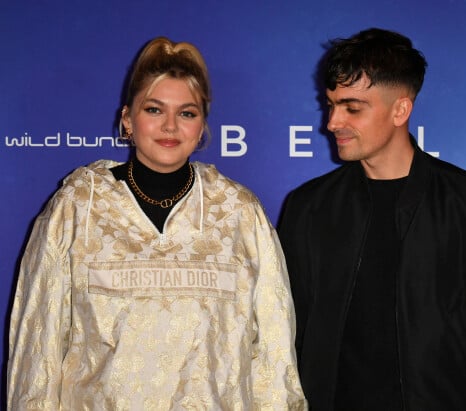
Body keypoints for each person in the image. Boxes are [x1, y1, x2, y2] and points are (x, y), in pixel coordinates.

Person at [8, 36, 306, 410]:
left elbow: (275, 357)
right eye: (153, 110)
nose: (170, 126)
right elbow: (38, 348)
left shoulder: (239, 212)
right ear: (127, 119)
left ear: (201, 127)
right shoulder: (78, 206)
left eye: (186, 113)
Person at [278, 28, 466, 410]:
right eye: (331, 104)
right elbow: (284, 336)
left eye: (352, 107)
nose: (332, 122)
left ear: (400, 110)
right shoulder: (309, 207)